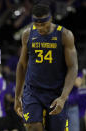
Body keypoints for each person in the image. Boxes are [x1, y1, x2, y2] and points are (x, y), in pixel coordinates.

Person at [14, 3, 78, 131]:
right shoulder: (27, 34)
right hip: (33, 91)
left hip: (56, 92)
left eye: (43, 24)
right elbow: (21, 65)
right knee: (33, 127)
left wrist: (63, 97)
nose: (40, 28)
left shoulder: (65, 35)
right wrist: (17, 96)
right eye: (36, 24)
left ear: (50, 19)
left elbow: (73, 68)